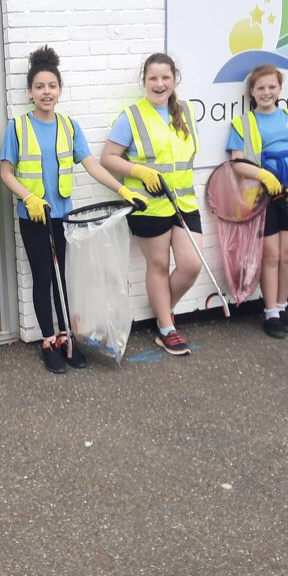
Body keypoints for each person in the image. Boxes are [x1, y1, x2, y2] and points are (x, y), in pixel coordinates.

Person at [0, 46, 148, 373]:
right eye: (39, 87)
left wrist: (123, 189)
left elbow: (92, 166)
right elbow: (6, 173)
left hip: (64, 218)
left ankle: (68, 338)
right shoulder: (18, 126)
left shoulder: (70, 126)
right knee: (42, 277)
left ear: (60, 90)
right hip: (33, 216)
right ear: (29, 92)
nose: (46, 92)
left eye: (51, 86)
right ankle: (48, 342)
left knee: (63, 279)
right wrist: (28, 198)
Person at [100, 53, 202, 356]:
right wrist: (140, 171)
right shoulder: (131, 116)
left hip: (183, 202)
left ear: (175, 79)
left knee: (191, 265)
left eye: (165, 78)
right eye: (153, 78)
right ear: (143, 81)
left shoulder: (186, 111)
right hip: (148, 206)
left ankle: (162, 312)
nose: (159, 84)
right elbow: (108, 158)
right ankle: (167, 328)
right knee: (158, 265)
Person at [226, 65, 288, 339]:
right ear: (252, 91)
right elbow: (237, 162)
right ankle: (271, 311)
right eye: (260, 87)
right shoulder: (243, 122)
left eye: (271, 87)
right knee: (271, 256)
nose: (266, 92)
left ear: (279, 89)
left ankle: (283, 305)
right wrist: (262, 174)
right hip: (264, 198)